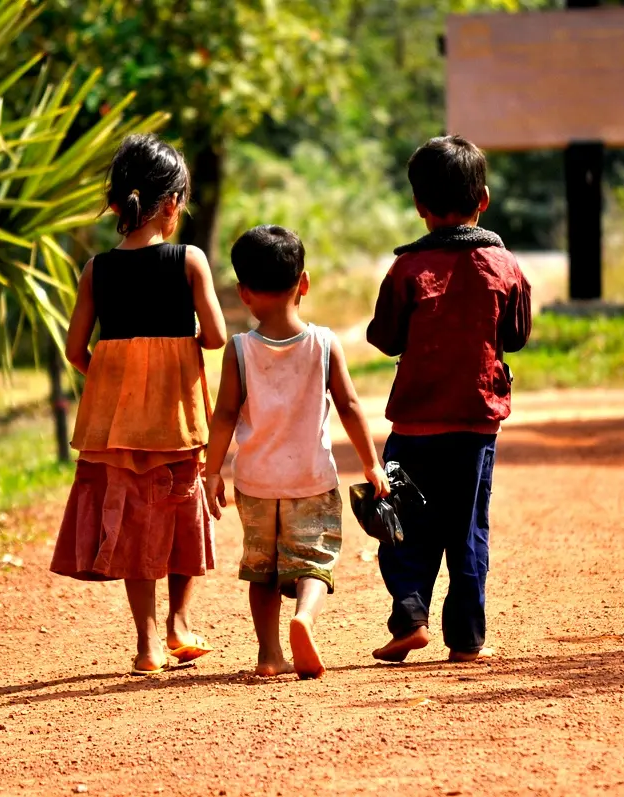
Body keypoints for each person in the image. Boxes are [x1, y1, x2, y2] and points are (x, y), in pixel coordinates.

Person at [49, 134, 227, 676]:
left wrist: (112, 377)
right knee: (181, 514)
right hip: (177, 420)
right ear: (172, 205)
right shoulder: (189, 260)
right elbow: (217, 337)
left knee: (132, 522)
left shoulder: (96, 269)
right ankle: (180, 623)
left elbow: (75, 350)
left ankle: (147, 643)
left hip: (116, 425)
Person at [366, 135, 532, 664]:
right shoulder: (504, 266)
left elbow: (386, 338)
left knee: (403, 521)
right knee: (467, 529)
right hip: (475, 425)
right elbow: (519, 333)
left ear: (419, 207)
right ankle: (466, 639)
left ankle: (410, 615)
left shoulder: (405, 271)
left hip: (413, 426)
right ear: (482, 199)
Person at [204, 225, 389, 680]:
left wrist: (211, 473)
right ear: (303, 283)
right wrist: (371, 463)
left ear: (244, 293)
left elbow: (225, 415)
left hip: (255, 483)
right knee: (314, 559)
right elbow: (348, 405)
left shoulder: (239, 350)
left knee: (261, 570)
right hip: (311, 479)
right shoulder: (324, 344)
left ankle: (269, 655)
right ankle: (304, 617)